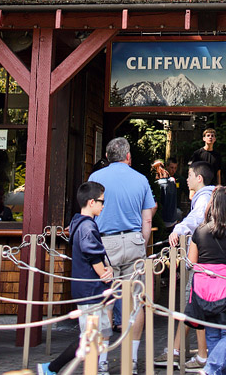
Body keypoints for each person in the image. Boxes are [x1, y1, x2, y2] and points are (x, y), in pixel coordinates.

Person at [89, 137, 155, 373]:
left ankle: (103, 361)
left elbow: (89, 215)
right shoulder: (141, 179)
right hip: (134, 239)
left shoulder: (96, 178)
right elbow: (148, 217)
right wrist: (142, 242)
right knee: (135, 302)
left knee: (105, 301)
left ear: (107, 157)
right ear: (128, 156)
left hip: (105, 243)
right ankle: (132, 360)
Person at [39, 180, 114, 375]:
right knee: (89, 336)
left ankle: (92, 368)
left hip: (92, 290)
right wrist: (105, 273)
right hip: (90, 290)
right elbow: (93, 255)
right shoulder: (87, 227)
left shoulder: (80, 223)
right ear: (91, 202)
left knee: (99, 332)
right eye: (101, 201)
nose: (103, 205)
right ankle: (53, 367)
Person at [155, 162, 216, 369]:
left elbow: (196, 219)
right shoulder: (207, 196)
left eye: (190, 174)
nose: (187, 178)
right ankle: (176, 349)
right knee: (192, 305)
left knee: (195, 305)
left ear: (199, 178)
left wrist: (178, 229)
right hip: (201, 257)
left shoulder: (205, 198)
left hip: (201, 258)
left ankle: (200, 354)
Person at [186, 187, 226, 375]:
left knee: (212, 334)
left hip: (202, 290)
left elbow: (191, 261)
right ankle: (210, 369)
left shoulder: (200, 231)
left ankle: (213, 371)